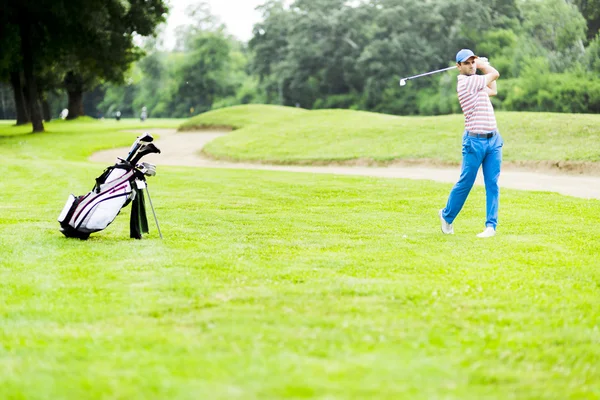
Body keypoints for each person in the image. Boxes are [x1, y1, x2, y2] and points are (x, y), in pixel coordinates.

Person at [439, 49, 502, 238]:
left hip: (494, 140)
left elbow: (493, 89)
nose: (471, 65)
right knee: (466, 182)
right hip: (474, 142)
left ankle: (491, 226)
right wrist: (484, 65)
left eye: (473, 61)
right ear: (458, 66)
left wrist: (482, 67)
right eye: (466, 63)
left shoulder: (476, 82)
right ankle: (446, 215)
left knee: (492, 183)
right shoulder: (466, 83)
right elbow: (495, 74)